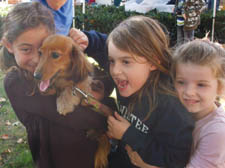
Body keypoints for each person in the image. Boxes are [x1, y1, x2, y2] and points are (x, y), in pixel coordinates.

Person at [0, 2, 116, 168]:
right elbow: (84, 119)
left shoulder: (58, 70)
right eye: (26, 49)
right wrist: (106, 113)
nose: (37, 60)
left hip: (90, 154)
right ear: (9, 45)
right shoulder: (16, 83)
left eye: (42, 49)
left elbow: (105, 79)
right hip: (55, 159)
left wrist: (89, 43)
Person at [70, 15, 194, 168]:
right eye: (112, 61)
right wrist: (89, 40)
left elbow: (177, 159)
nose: (115, 71)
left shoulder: (171, 105)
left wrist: (128, 134)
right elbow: (108, 48)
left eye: (126, 62)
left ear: (153, 62)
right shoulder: (129, 78)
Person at [171, 39, 225, 168]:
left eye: (201, 85)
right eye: (181, 82)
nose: (189, 92)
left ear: (220, 87)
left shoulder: (217, 131)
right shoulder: (177, 111)